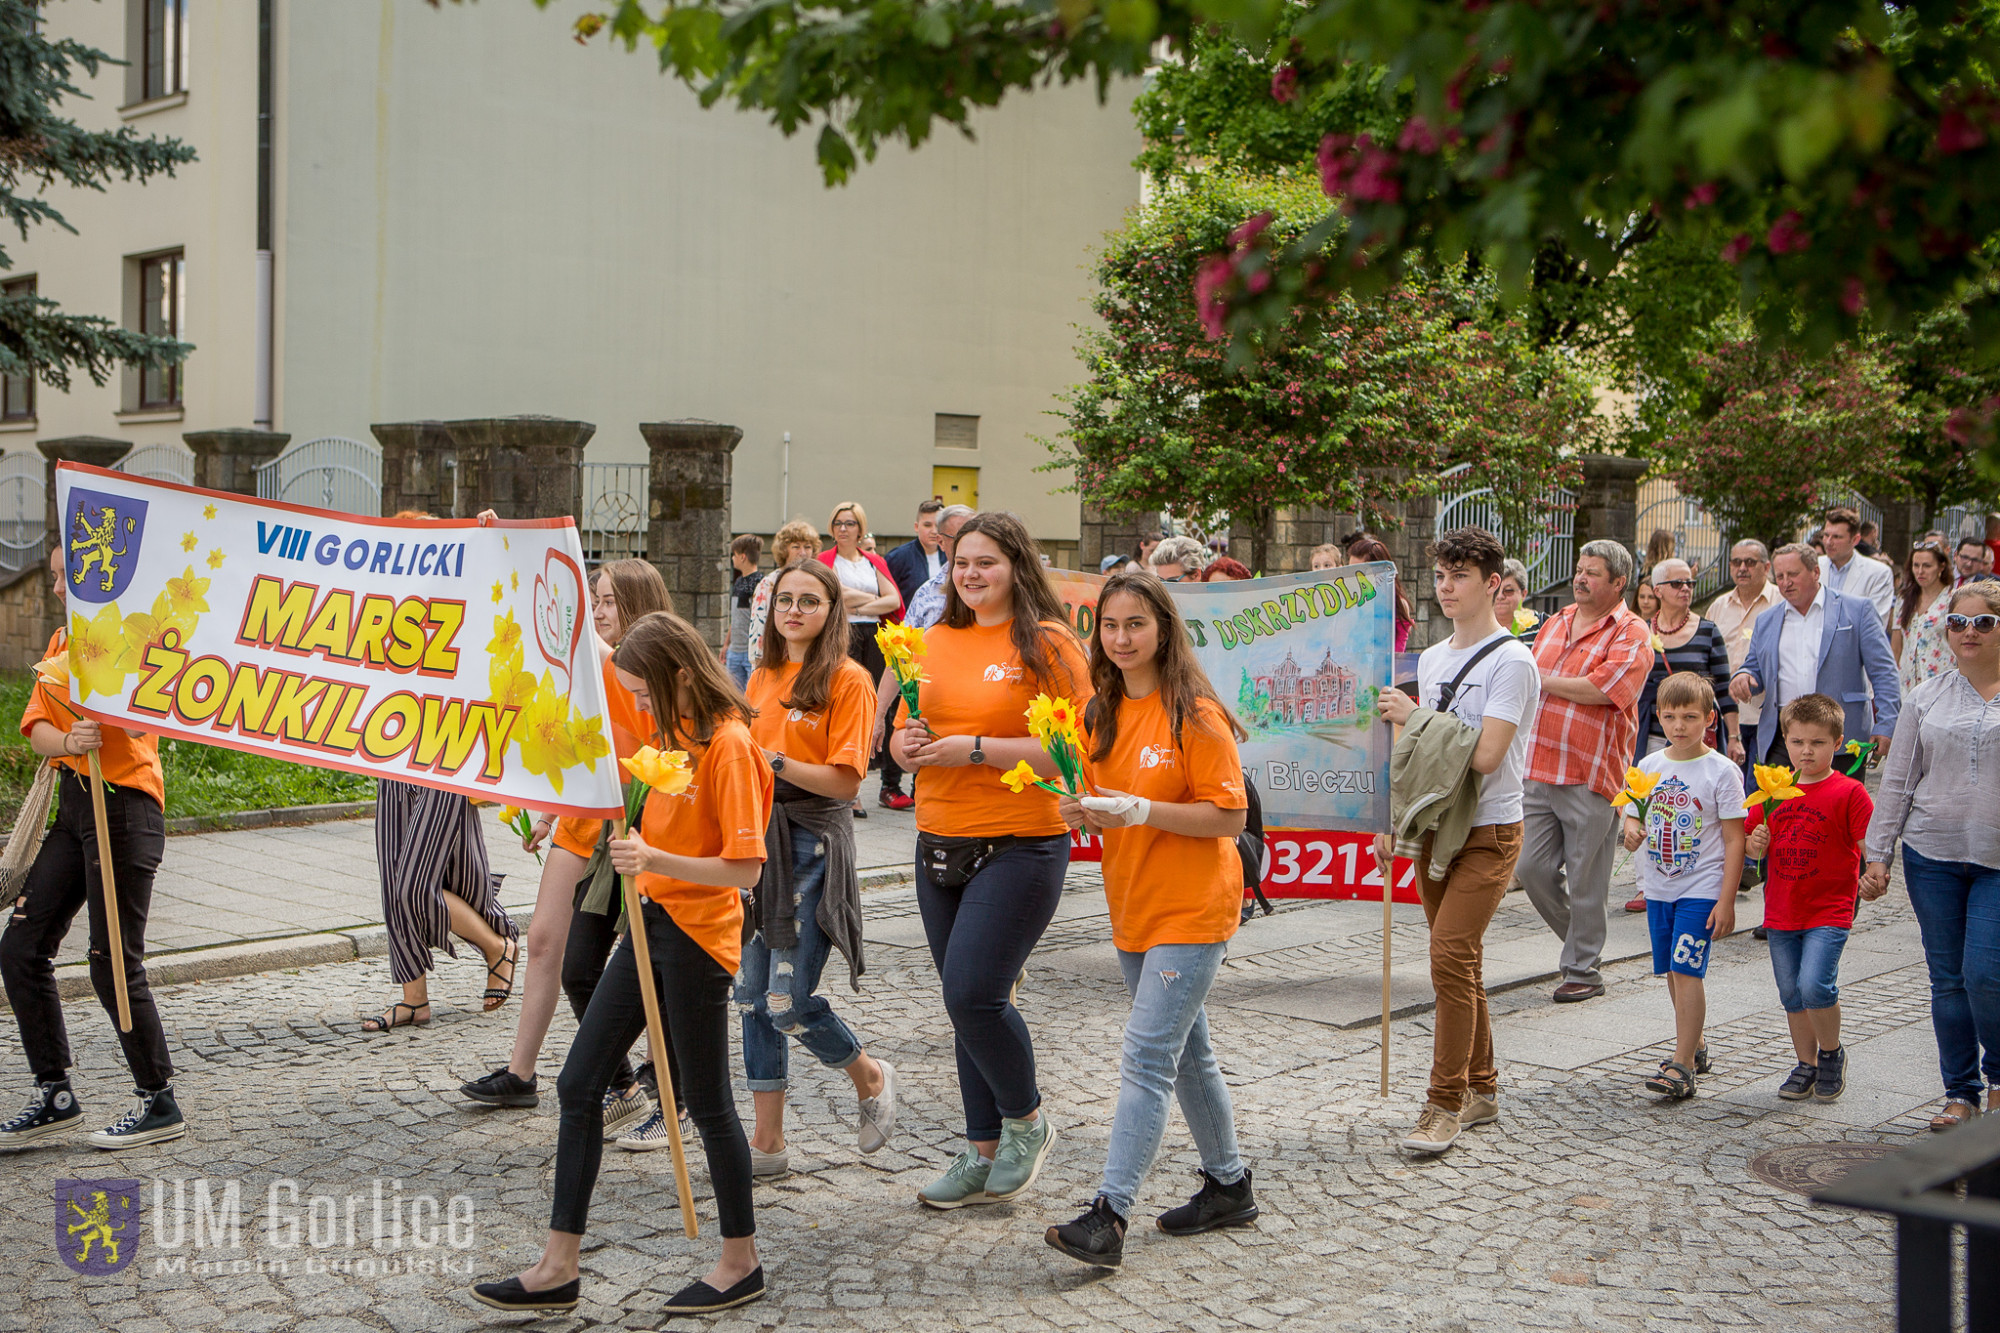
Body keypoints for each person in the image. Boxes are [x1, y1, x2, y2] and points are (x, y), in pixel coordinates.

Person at [471, 612, 772, 1316]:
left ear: (678, 678)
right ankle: (558, 1265)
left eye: (641, 692)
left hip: (700, 937)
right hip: (652, 922)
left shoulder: (729, 745)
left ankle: (740, 1260)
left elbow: (748, 868)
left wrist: (656, 857)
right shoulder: (667, 738)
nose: (634, 705)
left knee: (707, 1099)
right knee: (578, 1083)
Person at [1045, 570, 1256, 1266]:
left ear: (1163, 627)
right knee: (1188, 1053)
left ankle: (1109, 1215)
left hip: (1194, 909)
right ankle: (1229, 1185)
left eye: (1136, 623)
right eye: (1110, 625)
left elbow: (1230, 814)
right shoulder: (1097, 713)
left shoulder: (1193, 712)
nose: (1121, 637)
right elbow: (1094, 802)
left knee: (1145, 1057)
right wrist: (1082, 810)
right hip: (1133, 901)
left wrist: (1143, 809)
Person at [890, 511, 1091, 1209]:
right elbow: (898, 738)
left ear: (1017, 565)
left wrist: (977, 746)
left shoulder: (1049, 643)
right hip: (937, 836)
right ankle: (980, 1150)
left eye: (987, 562)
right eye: (961, 562)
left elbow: (1077, 746)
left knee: (974, 992)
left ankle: (1027, 1120)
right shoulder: (928, 639)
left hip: (1021, 840)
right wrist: (907, 747)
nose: (971, 574)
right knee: (964, 1004)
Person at [460, 559, 677, 1139]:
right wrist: (551, 808)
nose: (598, 611)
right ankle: (560, 1075)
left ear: (636, 602)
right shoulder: (592, 664)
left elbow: (656, 752)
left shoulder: (639, 665)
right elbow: (586, 745)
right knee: (554, 947)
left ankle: (664, 1087)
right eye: (595, 601)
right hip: (589, 821)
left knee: (648, 965)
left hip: (639, 828)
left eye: (607, 601)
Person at [0, 546, 181, 1148]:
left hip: (125, 809)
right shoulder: (59, 645)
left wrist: (113, 712)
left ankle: (159, 1100)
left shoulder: (134, 639)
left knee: (111, 960)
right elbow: (36, 734)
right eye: (50, 575)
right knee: (21, 945)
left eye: (59, 576)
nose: (52, 586)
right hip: (74, 809)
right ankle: (54, 1092)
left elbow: (143, 723)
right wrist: (69, 737)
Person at [1374, 526, 1538, 1154]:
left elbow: (1488, 755)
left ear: (1493, 584)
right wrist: (1394, 823)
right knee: (1459, 963)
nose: (1446, 587)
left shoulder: (1513, 660)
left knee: (1448, 958)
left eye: (1460, 576)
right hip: (1436, 827)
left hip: (1490, 830)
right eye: (1441, 576)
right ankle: (1484, 1088)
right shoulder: (1435, 658)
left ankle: (1443, 1104)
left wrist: (1412, 714)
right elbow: (1421, 759)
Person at [739, 560, 898, 1174]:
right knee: (752, 997)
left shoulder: (849, 679)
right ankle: (768, 1144)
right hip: (759, 842)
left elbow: (846, 779)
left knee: (787, 999)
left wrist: (772, 761)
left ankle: (870, 1075)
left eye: (810, 600)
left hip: (811, 842)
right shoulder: (761, 675)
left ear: (832, 612)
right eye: (785, 600)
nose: (795, 610)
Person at [362, 509, 518, 1034]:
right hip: (390, 753)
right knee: (395, 879)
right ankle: (413, 999)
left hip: (446, 753)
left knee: (414, 883)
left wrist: (485, 540)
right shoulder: (378, 606)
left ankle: (497, 944)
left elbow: (502, 601)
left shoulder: (462, 601)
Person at [1862, 582, 2000, 1132]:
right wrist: (1878, 855)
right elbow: (1896, 782)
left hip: (1996, 858)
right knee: (1947, 977)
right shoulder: (1926, 696)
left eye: (1984, 622)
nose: (1969, 632)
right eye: (1958, 623)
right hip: (1932, 854)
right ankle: (1959, 1094)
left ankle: (1999, 1081)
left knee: (1986, 973)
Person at [1517, 540, 1656, 1004]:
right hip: (1538, 766)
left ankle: (1583, 970)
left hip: (1593, 771)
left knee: (1587, 878)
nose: (1580, 578)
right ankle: (1582, 945)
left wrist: (1541, 681)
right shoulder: (1554, 623)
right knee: (1530, 867)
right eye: (1579, 569)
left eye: (1592, 573)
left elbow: (1604, 689)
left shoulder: (1632, 632)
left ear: (1619, 583)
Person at [1744, 693, 1876, 1104]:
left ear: (1837, 743)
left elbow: (1868, 844)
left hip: (1830, 908)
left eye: (1817, 743)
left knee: (1815, 984)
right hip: (1782, 908)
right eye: (1798, 742)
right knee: (1791, 992)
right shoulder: (1773, 793)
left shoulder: (1850, 792)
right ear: (1786, 739)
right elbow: (1751, 847)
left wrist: (1874, 873)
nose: (1806, 751)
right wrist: (1756, 842)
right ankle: (1806, 1063)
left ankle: (1831, 1052)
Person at [1622, 672, 1744, 1101]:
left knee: (1686, 969)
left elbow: (1734, 839)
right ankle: (1696, 1042)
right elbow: (1632, 811)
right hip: (1658, 886)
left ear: (1710, 718)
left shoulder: (1722, 772)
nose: (1679, 726)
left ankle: (1682, 1064)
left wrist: (1726, 900)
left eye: (1690, 717)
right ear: (1658, 716)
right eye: (1670, 716)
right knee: (1672, 972)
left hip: (1702, 886)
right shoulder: (1650, 766)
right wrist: (1632, 828)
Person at [1730, 544, 1899, 769]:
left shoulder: (1857, 610)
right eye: (1779, 576)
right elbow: (1755, 666)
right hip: (1783, 736)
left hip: (1839, 735)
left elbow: (1884, 672)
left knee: (1837, 804)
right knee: (1782, 804)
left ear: (1815, 572)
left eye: (1793, 574)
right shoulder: (1766, 619)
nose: (1785, 582)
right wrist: (1744, 676)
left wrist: (1886, 724)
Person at [820, 501, 905, 817]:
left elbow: (894, 600)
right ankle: (847, 789)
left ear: (860, 528)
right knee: (844, 707)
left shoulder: (874, 561)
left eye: (850, 523)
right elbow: (831, 596)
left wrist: (855, 604)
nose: (844, 528)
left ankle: (882, 782)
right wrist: (872, 600)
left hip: (874, 638)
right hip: (841, 637)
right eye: (839, 523)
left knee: (876, 707)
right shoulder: (825, 561)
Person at [1632, 560, 1741, 763]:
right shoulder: (1641, 632)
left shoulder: (1707, 631)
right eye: (1677, 584)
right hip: (1650, 737)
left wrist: (1734, 737)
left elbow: (1724, 689)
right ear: (1658, 590)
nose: (1685, 589)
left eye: (1690, 584)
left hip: (1695, 740)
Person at [1704, 541, 1781, 780]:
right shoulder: (1718, 606)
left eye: (1750, 562)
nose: (1742, 568)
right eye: (1736, 562)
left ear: (1766, 567)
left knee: (1758, 792)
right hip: (1725, 717)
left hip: (1766, 716)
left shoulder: (1781, 604)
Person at [747, 521, 821, 665]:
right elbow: (758, 629)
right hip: (776, 659)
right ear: (784, 550)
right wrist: (759, 665)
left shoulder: (818, 582)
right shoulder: (769, 583)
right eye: (796, 547)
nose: (803, 552)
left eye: (808, 547)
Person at [1819, 506, 1895, 631]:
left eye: (1837, 537)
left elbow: (1874, 625)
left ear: (1855, 540)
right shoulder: (1812, 567)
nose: (1828, 542)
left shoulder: (1878, 573)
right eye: (1826, 535)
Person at [1895, 541, 1955, 695]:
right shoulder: (1904, 598)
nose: (1920, 571)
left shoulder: (1952, 599)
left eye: (1927, 566)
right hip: (1908, 685)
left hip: (1942, 683)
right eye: (1916, 565)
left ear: (1941, 567)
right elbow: (1896, 646)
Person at [1347, 536, 1417, 651]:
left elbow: (1397, 655)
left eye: (1361, 573)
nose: (1355, 578)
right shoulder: (1345, 603)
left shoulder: (1396, 605)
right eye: (1350, 571)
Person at [885, 500, 947, 617]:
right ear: (916, 527)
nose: (934, 531)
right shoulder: (898, 557)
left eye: (938, 525)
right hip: (909, 629)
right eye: (927, 525)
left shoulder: (950, 556)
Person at [724, 534, 763, 688]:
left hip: (751, 653)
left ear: (742, 557)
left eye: (733, 555)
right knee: (733, 699)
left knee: (751, 698)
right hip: (734, 651)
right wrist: (727, 644)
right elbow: (736, 616)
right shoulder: (738, 581)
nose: (732, 559)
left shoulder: (761, 582)